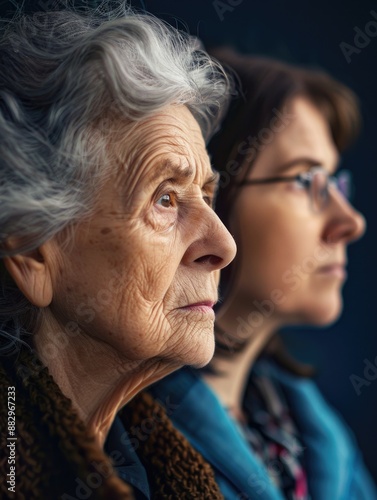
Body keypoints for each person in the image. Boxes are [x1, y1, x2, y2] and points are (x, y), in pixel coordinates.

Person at [0, 6, 237, 498]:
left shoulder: (167, 469)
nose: (224, 246)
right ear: (32, 253)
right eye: (165, 199)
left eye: (207, 198)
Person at [151, 50, 377, 499]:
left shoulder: (320, 439)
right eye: (307, 180)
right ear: (207, 195)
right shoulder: (120, 436)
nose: (351, 221)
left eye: (335, 183)